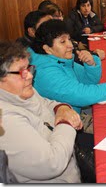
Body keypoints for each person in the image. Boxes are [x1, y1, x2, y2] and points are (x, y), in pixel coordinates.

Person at [0, 41, 83, 183]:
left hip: (70, 160)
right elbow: (52, 164)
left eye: (29, 68)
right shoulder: (6, 121)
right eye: (21, 71)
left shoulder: (20, 91)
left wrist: (61, 108)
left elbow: (46, 103)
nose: (30, 76)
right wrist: (66, 122)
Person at [30, 19, 106, 133]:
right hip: (61, 128)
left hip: (76, 114)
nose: (70, 45)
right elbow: (82, 95)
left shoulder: (58, 60)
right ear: (47, 49)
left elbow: (89, 82)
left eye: (69, 39)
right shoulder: (46, 73)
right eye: (62, 42)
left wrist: (91, 64)